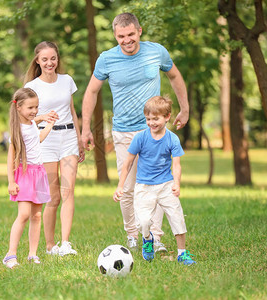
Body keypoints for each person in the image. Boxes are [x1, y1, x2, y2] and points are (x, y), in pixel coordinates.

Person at [81, 12, 189, 253]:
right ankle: (133, 233)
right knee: (128, 187)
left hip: (155, 131)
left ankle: (155, 237)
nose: (126, 40)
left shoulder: (156, 52)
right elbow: (91, 92)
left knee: (158, 184)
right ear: (115, 36)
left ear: (139, 31)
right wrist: (85, 128)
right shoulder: (106, 59)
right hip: (124, 132)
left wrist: (185, 108)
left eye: (131, 34)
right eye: (121, 36)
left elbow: (174, 76)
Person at [113, 96, 195, 264]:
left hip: (166, 185)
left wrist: (177, 184)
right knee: (143, 222)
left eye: (155, 119)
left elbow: (177, 165)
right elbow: (128, 162)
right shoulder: (140, 138)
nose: (151, 123)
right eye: (148, 119)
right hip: (144, 186)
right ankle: (147, 240)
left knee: (177, 217)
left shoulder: (172, 139)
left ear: (167, 117)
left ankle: (182, 253)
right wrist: (120, 186)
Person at [24, 41, 85, 256]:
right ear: (38, 61)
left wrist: (79, 138)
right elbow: (25, 115)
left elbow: (72, 110)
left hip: (68, 137)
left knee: (68, 191)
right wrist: (41, 117)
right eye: (44, 59)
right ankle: (50, 246)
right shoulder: (32, 86)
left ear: (57, 59)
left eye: (53, 58)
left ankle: (65, 243)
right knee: (53, 196)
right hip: (46, 140)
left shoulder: (67, 80)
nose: (49, 63)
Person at [2, 88, 55, 269]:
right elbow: (11, 157)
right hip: (24, 174)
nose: (34, 111)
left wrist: (48, 124)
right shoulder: (17, 130)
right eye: (30, 108)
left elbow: (38, 139)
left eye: (36, 107)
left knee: (37, 215)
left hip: (38, 173)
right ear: (18, 108)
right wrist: (11, 181)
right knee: (24, 214)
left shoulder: (31, 124)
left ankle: (32, 254)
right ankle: (10, 254)